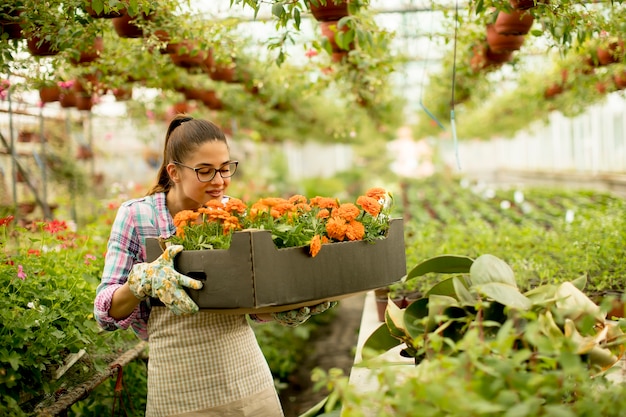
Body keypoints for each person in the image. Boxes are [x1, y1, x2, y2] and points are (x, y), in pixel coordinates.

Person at [94, 115, 335, 417]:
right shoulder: (137, 217)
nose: (219, 181)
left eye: (225, 168)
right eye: (205, 171)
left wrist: (284, 309)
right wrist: (139, 283)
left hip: (245, 376)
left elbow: (248, 300)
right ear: (175, 172)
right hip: (178, 388)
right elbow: (104, 314)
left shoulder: (230, 213)